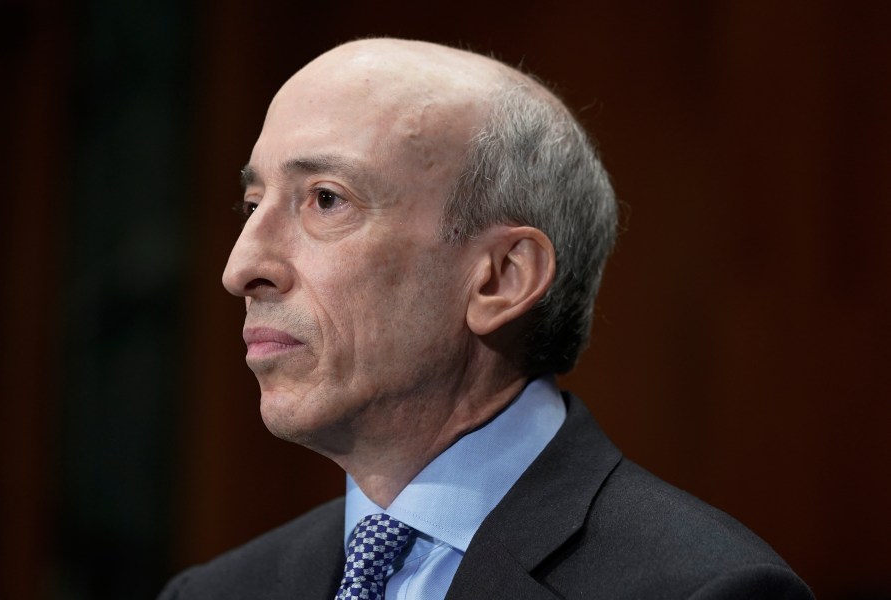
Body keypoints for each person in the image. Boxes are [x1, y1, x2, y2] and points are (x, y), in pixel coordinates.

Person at [159, 38, 813, 599]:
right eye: (253, 204)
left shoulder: (705, 590)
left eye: (326, 200)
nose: (241, 268)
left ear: (502, 278)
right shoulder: (214, 592)